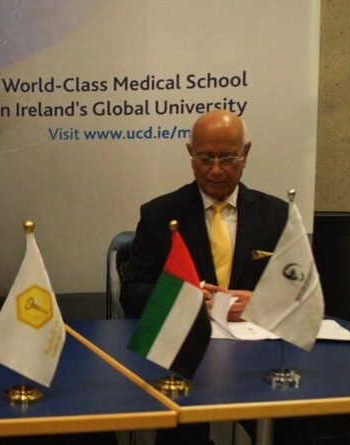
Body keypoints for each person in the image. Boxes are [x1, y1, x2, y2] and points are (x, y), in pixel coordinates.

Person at [121, 110, 288, 445]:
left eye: (227, 158)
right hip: (183, 354)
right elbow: (133, 293)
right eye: (204, 158)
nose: (215, 170)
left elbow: (303, 292)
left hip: (257, 357)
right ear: (190, 154)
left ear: (246, 154)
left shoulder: (277, 215)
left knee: (295, 427)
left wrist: (262, 303)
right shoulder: (159, 214)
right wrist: (185, 298)